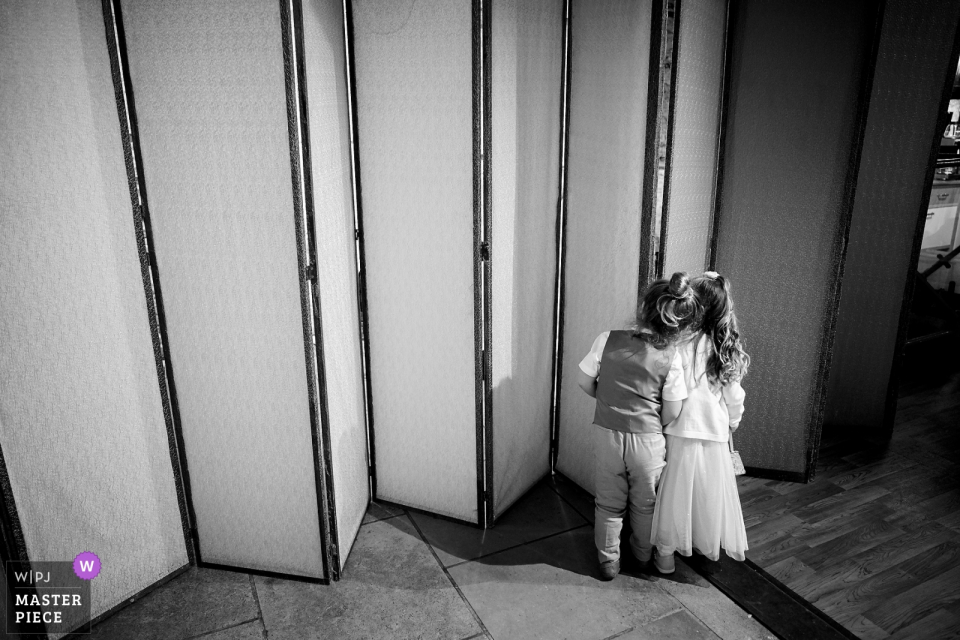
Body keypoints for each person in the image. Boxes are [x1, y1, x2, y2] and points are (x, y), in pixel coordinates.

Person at [577, 272, 699, 581]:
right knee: (646, 505)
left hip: (606, 432)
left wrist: (604, 398)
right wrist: (655, 422)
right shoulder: (671, 356)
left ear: (644, 306)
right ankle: (642, 558)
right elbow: (673, 408)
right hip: (647, 440)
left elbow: (584, 381)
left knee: (607, 502)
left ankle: (607, 562)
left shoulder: (607, 338)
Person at [650, 271, 750, 574]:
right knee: (707, 493)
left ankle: (665, 555)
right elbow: (734, 397)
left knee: (675, 494)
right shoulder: (724, 350)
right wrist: (733, 422)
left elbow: (668, 389)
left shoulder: (675, 342)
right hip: (715, 434)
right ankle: (704, 544)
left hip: (679, 429)